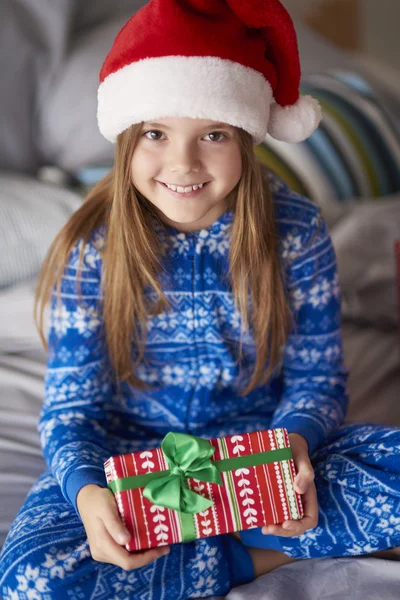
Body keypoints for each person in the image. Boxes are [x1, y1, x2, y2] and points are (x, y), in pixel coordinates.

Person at [0, 1, 399, 598]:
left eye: (212, 134)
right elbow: (70, 408)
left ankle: (214, 552)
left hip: (257, 453)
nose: (182, 163)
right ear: (127, 141)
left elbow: (317, 378)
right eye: (156, 134)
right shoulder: (92, 248)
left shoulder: (296, 230)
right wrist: (88, 494)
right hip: (127, 463)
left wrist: (292, 448)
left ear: (245, 137)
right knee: (31, 577)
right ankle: (250, 559)